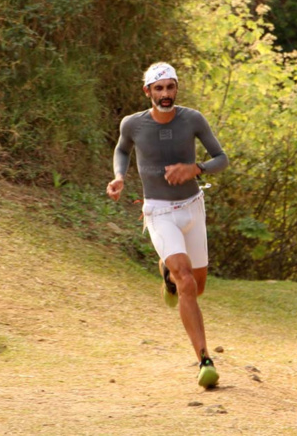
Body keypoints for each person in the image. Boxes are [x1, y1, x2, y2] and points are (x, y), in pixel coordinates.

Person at [106, 62, 229, 389]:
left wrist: (196, 169)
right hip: (158, 211)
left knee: (197, 287)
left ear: (176, 89)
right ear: (148, 92)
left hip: (192, 209)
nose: (165, 94)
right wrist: (120, 177)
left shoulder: (193, 119)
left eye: (170, 87)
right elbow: (121, 149)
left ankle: (167, 273)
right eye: (158, 89)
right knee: (187, 282)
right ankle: (205, 360)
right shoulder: (133, 124)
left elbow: (221, 158)